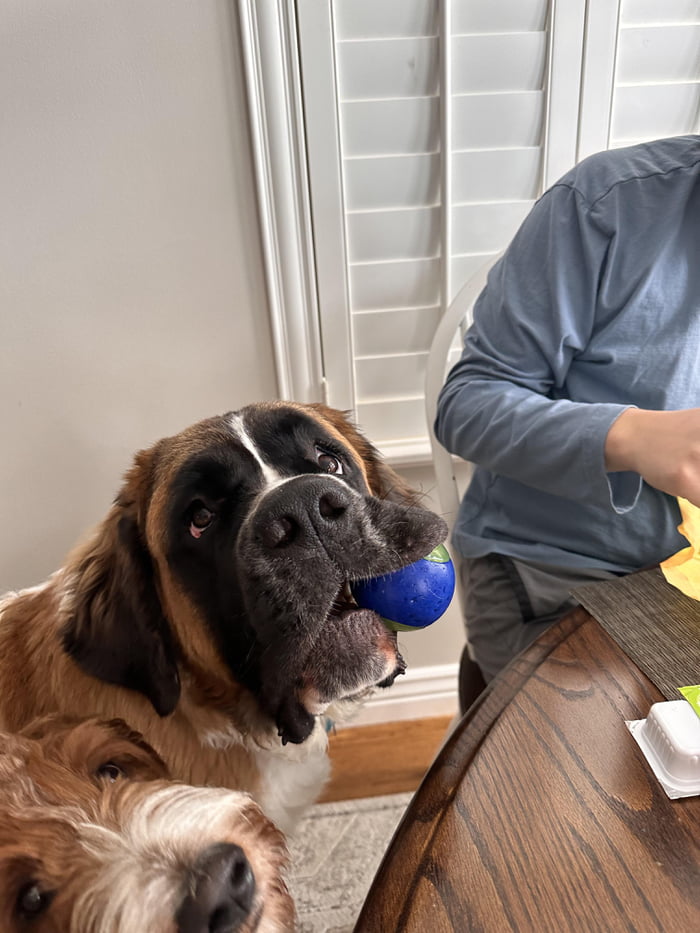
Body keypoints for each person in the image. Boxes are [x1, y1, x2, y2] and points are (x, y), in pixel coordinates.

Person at [434, 134, 700, 693]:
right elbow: (467, 404)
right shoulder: (605, 205)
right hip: (558, 570)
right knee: (613, 771)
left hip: (688, 578)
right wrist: (629, 436)